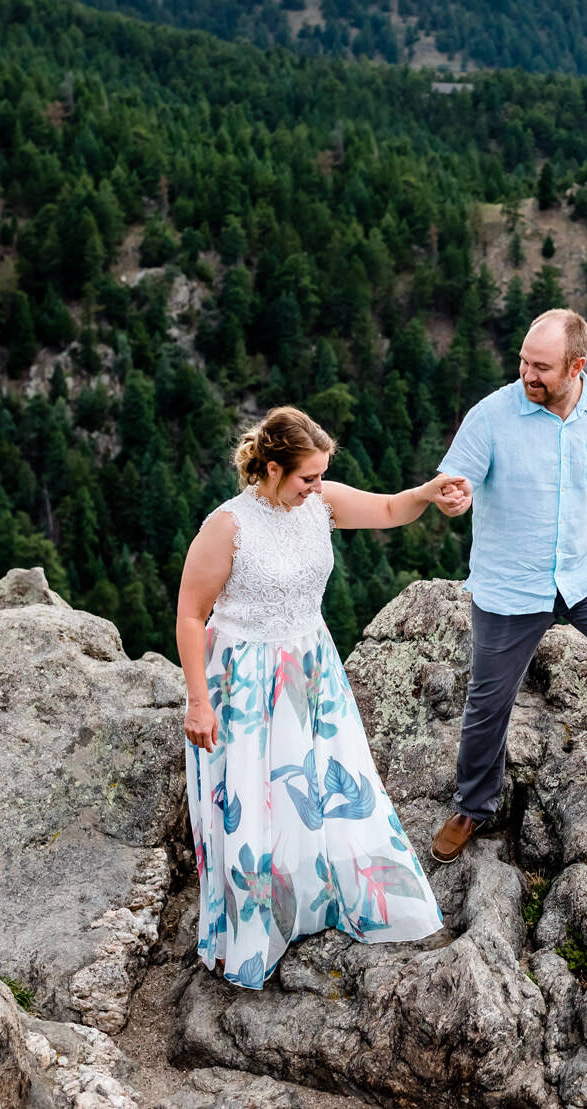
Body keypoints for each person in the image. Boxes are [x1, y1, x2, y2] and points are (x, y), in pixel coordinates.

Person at [177, 405, 470, 988]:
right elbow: (190, 614)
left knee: (318, 784)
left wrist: (428, 492)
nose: (316, 487)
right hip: (244, 678)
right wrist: (198, 700)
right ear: (270, 467)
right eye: (307, 476)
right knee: (256, 800)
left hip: (311, 667)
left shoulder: (321, 503)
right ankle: (255, 926)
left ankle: (313, 898)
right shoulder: (227, 525)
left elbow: (389, 509)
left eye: (320, 476)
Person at [430, 308, 587, 864]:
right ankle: (473, 807)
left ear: (577, 366)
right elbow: (455, 482)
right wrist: (455, 496)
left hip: (581, 568)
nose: (527, 374)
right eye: (523, 361)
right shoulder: (492, 415)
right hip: (510, 579)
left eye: (541, 367)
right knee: (488, 702)